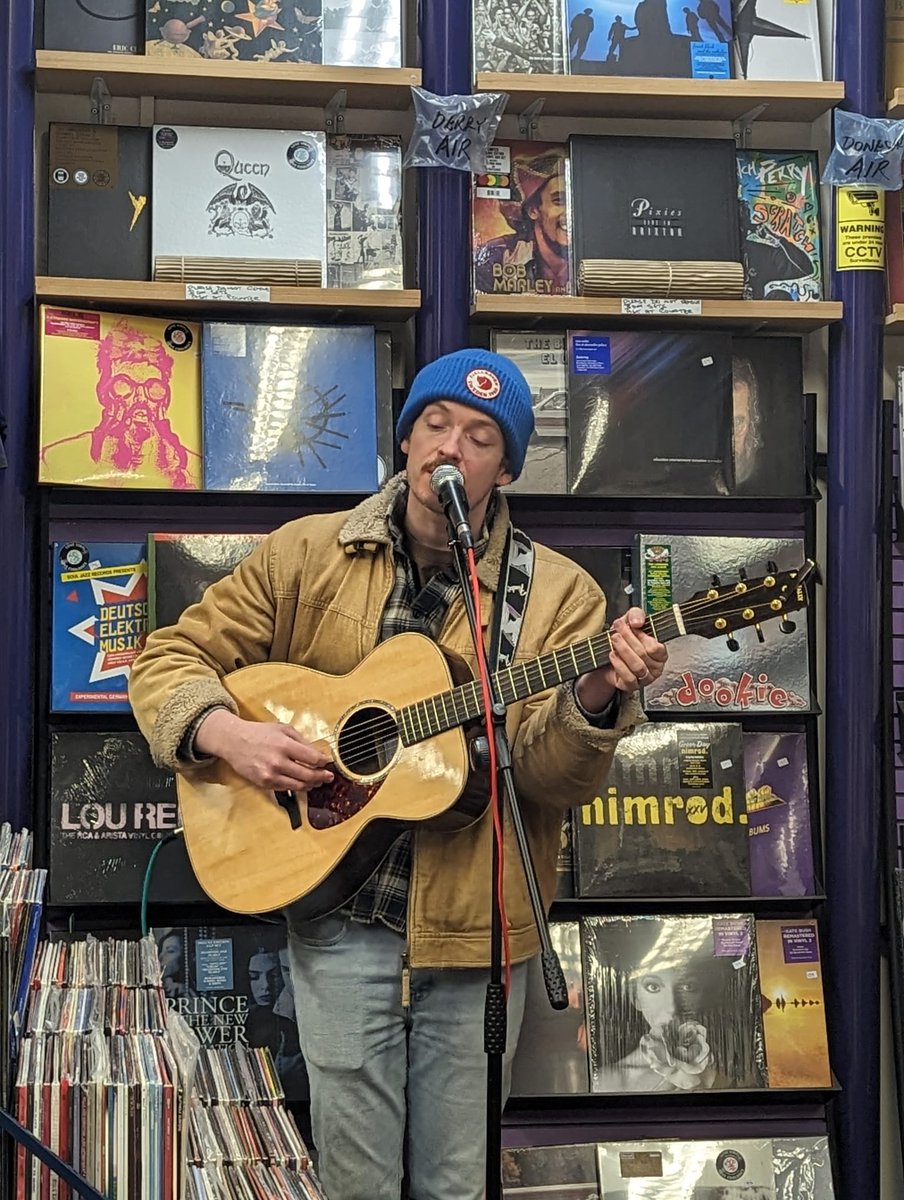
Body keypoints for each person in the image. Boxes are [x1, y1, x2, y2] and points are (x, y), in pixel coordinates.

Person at [128, 347, 668, 1200]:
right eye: (436, 423)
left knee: (455, 1183)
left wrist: (596, 692)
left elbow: (550, 779)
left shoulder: (559, 596)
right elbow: (170, 657)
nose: (451, 448)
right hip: (341, 922)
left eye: (481, 436)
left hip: (477, 935)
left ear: (506, 465)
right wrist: (226, 733)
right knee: (357, 1181)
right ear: (408, 437)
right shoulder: (308, 554)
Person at [585, 916, 763, 1094]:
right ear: (635, 999)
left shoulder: (735, 1072)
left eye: (688, 987)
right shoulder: (609, 1082)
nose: (672, 1007)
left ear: (705, 994)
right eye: (653, 987)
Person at [473, 154, 571, 295]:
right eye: (559, 201)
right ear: (533, 210)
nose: (569, 211)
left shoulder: (591, 255)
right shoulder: (495, 257)